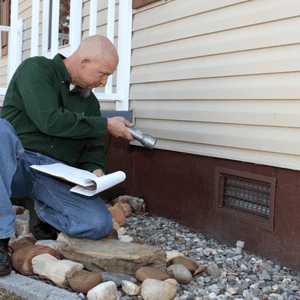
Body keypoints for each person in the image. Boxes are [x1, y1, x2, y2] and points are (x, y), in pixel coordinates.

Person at [0, 35, 135, 276]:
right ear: (83, 62)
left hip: (52, 173)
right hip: (14, 165)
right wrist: (104, 124)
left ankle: (41, 211)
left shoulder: (90, 103)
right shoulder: (36, 69)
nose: (104, 82)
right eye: (103, 74)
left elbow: (93, 147)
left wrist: (95, 170)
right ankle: (0, 239)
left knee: (97, 224)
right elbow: (48, 120)